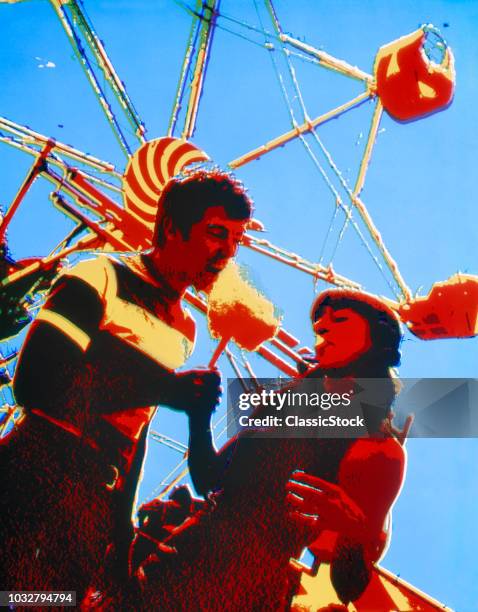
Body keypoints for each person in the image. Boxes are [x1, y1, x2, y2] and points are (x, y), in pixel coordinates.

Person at [0, 170, 253, 598]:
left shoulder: (184, 330)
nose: (226, 252)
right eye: (216, 233)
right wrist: (167, 388)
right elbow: (36, 382)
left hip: (91, 504)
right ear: (172, 227)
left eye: (234, 241)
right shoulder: (100, 275)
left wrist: (120, 535)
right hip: (34, 473)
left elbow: (135, 430)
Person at [134, 289, 407, 611]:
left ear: (378, 344)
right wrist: (199, 418)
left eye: (341, 321)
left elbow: (348, 583)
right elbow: (210, 480)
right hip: (184, 553)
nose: (323, 328)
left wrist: (354, 529)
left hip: (248, 585)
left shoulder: (377, 449)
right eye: (320, 324)